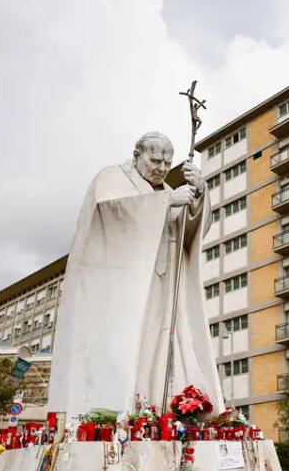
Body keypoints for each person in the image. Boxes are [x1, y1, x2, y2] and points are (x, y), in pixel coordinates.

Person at [48, 132, 223, 418]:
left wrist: (199, 196)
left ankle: (162, 407)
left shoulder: (168, 189)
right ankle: (128, 409)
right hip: (125, 287)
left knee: (166, 344)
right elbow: (107, 215)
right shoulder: (111, 178)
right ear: (137, 155)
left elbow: (190, 235)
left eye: (167, 163)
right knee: (133, 347)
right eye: (155, 160)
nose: (161, 168)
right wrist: (168, 202)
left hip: (164, 285)